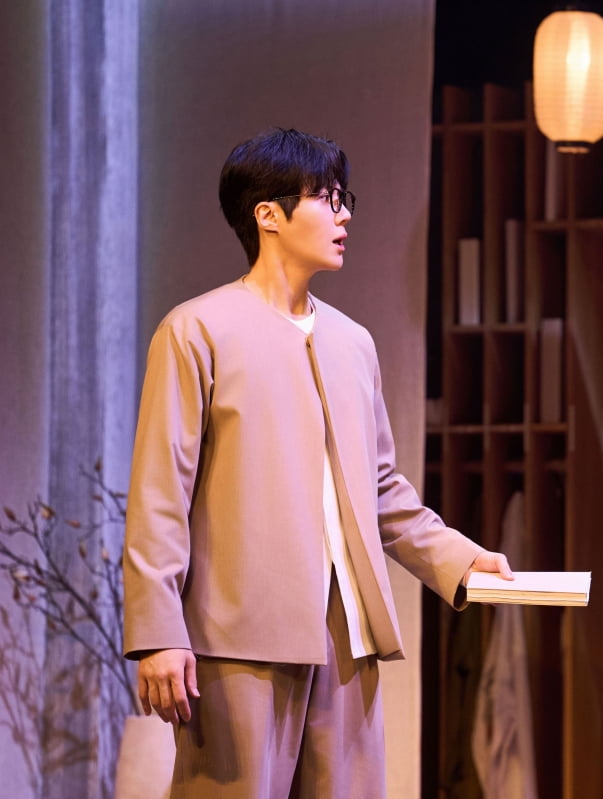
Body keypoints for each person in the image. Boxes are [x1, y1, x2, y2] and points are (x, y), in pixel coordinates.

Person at [122, 127, 511, 798]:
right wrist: (158, 632)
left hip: (347, 632)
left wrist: (461, 559)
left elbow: (381, 492)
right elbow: (161, 494)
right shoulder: (196, 331)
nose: (344, 215)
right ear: (267, 215)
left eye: (343, 198)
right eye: (327, 198)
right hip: (238, 635)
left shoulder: (353, 343)